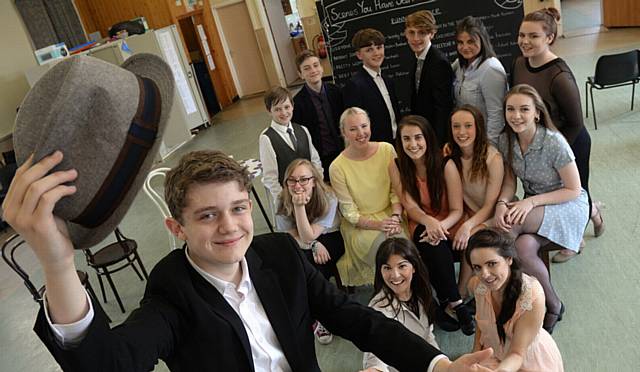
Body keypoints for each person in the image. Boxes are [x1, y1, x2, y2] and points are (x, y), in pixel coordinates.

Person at [3, 149, 499, 371]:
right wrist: (58, 263)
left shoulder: (279, 254)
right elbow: (109, 365)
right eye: (207, 216)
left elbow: (355, 319)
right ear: (176, 229)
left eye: (238, 208)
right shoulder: (172, 286)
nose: (230, 227)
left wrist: (436, 365)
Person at [495, 84, 589, 333]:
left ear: (537, 112)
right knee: (522, 247)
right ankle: (554, 304)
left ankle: (504, 295)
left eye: (524, 109)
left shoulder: (554, 142)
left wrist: (530, 201)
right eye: (510, 109)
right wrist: (502, 203)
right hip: (536, 204)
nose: (516, 115)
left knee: (508, 227)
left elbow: (573, 189)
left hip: (566, 203)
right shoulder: (507, 140)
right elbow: (508, 181)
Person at [511, 7, 604, 259]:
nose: (525, 42)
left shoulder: (560, 76)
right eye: (522, 35)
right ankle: (594, 212)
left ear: (549, 38)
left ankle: (575, 241)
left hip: (569, 142)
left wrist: (554, 150)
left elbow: (575, 122)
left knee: (575, 191)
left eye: (533, 36)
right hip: (539, 142)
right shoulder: (519, 63)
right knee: (547, 194)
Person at [388, 114, 475, 336]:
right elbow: (410, 206)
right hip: (421, 222)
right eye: (406, 139)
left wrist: (439, 225)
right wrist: (430, 223)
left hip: (450, 220)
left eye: (418, 137)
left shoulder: (446, 164)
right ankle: (457, 303)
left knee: (446, 242)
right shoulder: (396, 165)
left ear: (427, 138)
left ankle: (446, 299)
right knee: (432, 246)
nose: (413, 144)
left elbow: (457, 209)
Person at [466, 229, 564, 371]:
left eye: (492, 264)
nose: (485, 275)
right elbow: (481, 326)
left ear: (509, 259)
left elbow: (517, 353)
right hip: (493, 353)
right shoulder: (477, 285)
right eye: (477, 267)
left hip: (526, 361)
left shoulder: (533, 297)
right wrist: (474, 357)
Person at [329, 107, 404, 287]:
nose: (360, 133)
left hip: (392, 214)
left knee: (402, 245)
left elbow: (396, 190)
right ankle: (391, 292)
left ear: (370, 125)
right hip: (361, 225)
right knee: (385, 249)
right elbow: (349, 212)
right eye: (353, 129)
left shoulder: (387, 150)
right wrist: (378, 225)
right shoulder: (337, 167)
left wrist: (395, 217)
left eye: (364, 126)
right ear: (344, 132)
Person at [275, 158, 345, 344]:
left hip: (328, 235)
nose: (298, 185)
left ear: (314, 180)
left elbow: (310, 234)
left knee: (317, 267)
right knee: (295, 265)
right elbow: (292, 236)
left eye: (304, 179)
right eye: (292, 180)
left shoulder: (329, 197)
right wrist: (313, 244)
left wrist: (300, 209)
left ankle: (324, 313)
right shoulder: (282, 200)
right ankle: (314, 317)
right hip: (303, 239)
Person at [447, 105, 504, 297]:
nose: (461, 132)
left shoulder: (492, 157)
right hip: (466, 213)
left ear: (478, 127)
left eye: (468, 126)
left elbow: (490, 206)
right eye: (456, 126)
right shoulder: (448, 151)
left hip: (493, 216)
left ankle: (461, 293)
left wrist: (468, 226)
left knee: (469, 238)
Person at [362, 237, 439, 372]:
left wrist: (439, 361)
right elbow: (375, 355)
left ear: (414, 267)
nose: (395, 275)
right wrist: (375, 369)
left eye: (402, 266)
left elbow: (428, 335)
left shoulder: (422, 292)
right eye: (387, 268)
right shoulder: (378, 308)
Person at [259, 86, 323, 204]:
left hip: (311, 193)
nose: (283, 112)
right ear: (269, 111)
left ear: (293, 106)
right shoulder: (266, 138)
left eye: (287, 107)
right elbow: (271, 177)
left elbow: (315, 161)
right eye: (277, 109)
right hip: (289, 198)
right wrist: (283, 200)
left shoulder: (303, 130)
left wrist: (318, 186)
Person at [451, 16, 507, 145]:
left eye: (471, 41)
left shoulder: (491, 69)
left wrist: (490, 148)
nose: (465, 47)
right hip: (466, 139)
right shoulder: (459, 65)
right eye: (460, 42)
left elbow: (497, 115)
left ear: (482, 40)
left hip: (484, 141)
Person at [292, 50, 344, 181]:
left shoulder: (336, 91)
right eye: (306, 68)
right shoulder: (297, 103)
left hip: (344, 151)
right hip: (321, 158)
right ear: (301, 74)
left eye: (316, 65)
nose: (313, 70)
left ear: (321, 68)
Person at [404, 10, 454, 147]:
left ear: (432, 34)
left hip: (435, 139)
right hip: (423, 135)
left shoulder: (439, 62)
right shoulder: (416, 59)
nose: (415, 38)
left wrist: (438, 144)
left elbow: (443, 107)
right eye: (411, 32)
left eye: (421, 33)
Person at [343, 28, 401, 144]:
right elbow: (356, 123)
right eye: (369, 50)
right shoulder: (355, 85)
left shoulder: (388, 80)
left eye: (379, 47)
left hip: (396, 140)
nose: (376, 53)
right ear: (359, 55)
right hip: (375, 145)